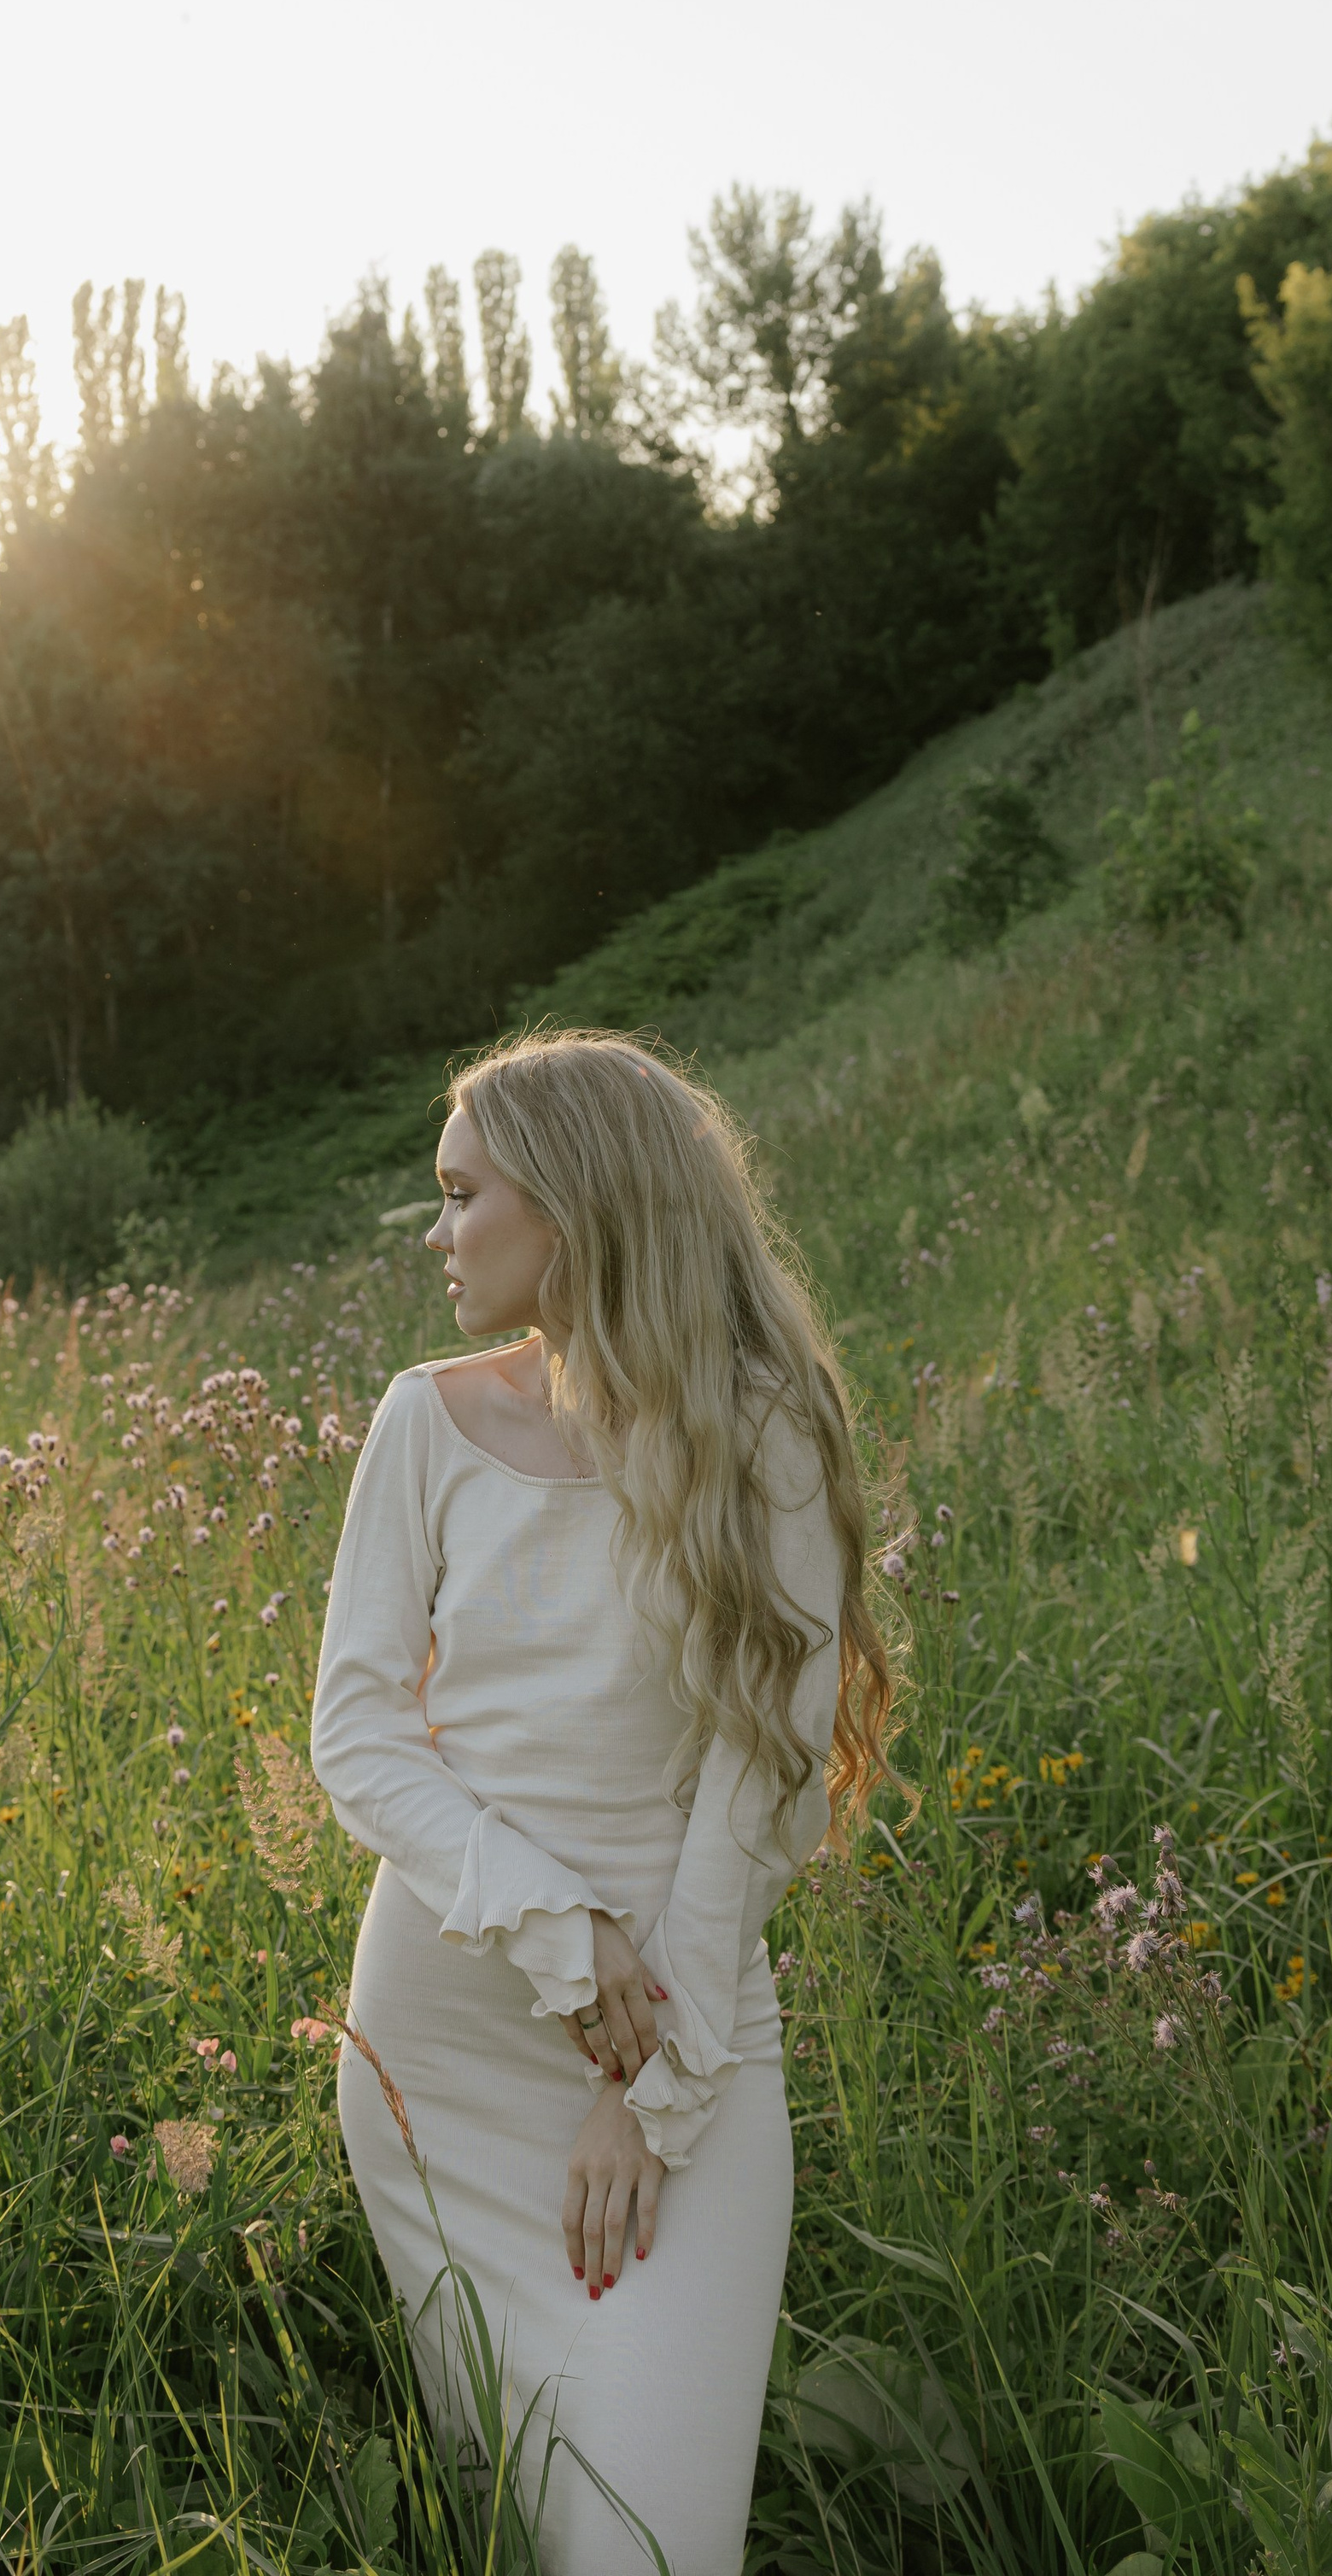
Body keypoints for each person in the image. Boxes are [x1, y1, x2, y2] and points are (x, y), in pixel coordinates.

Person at [309, 1027, 891, 2575]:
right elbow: (359, 1734)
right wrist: (562, 1928)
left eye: (460, 1196)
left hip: (678, 2055)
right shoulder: (423, 1423)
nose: (437, 1235)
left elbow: (762, 1778)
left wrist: (648, 2090)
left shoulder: (757, 1428)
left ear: (569, 1203)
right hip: (440, 2056)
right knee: (518, 2525)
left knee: (646, 2549)